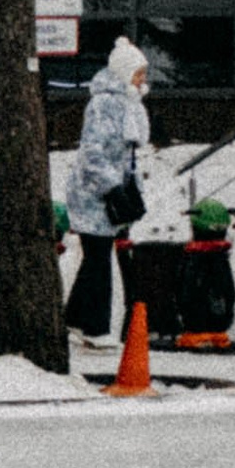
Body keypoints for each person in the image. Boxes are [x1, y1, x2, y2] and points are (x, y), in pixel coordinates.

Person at [62, 36, 150, 341]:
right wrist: (114, 188)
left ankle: (75, 318)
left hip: (105, 193)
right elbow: (93, 153)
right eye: (138, 73)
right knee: (98, 259)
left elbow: (125, 156)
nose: (143, 80)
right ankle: (94, 327)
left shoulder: (127, 105)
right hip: (93, 194)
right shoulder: (105, 105)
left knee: (95, 258)